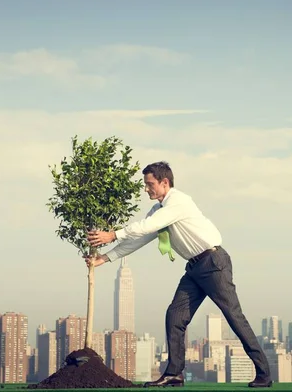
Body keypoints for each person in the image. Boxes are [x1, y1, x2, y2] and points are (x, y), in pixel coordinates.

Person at [86, 161, 272, 388]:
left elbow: (146, 226)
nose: (146, 189)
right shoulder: (158, 210)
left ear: (165, 183)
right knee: (175, 315)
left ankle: (264, 374)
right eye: (145, 184)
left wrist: (113, 234)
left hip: (213, 263)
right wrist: (105, 258)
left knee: (234, 317)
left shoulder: (179, 202)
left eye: (150, 184)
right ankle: (174, 373)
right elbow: (141, 238)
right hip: (194, 268)